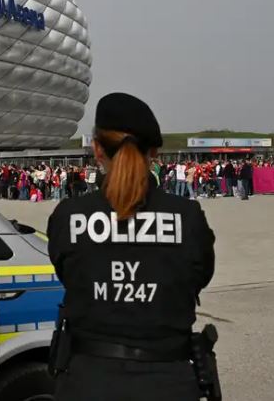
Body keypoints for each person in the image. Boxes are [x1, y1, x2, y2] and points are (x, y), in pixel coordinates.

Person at [46, 93, 215, 401]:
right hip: (168, 383)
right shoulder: (187, 218)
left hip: (88, 384)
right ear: (154, 151)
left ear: (97, 149)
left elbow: (67, 272)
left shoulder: (68, 216)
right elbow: (200, 276)